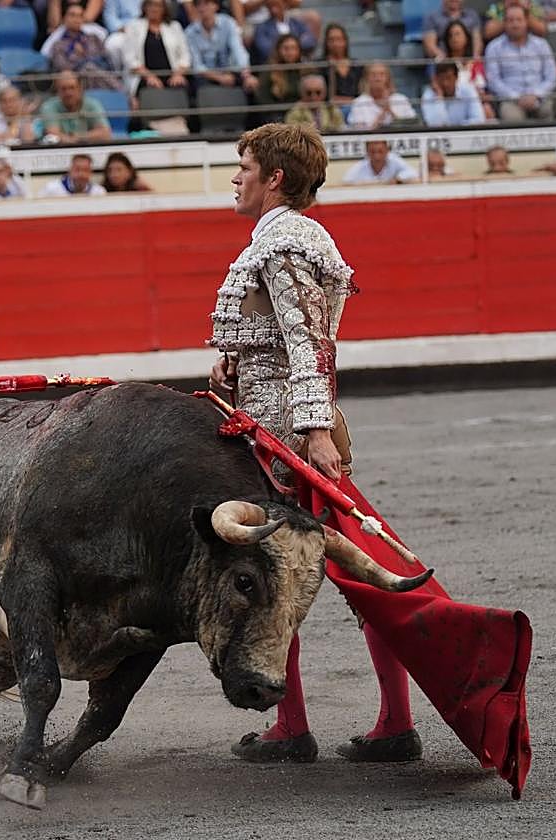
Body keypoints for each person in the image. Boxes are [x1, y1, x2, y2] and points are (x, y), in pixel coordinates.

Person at [208, 122, 417, 766]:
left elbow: (308, 345)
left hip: (286, 437)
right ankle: (373, 722)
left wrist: (315, 430)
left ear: (275, 178)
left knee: (283, 569)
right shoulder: (290, 237)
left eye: (244, 166)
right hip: (283, 426)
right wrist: (235, 359)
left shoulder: (285, 240)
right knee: (341, 567)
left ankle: (300, 727)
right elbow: (285, 336)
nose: (235, 178)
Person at [484, 4, 556, 121]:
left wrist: (536, 94)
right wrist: (517, 97)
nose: (515, 24)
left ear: (526, 21)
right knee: (512, 117)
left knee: (547, 110)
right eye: (510, 20)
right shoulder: (494, 47)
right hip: (510, 99)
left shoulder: (541, 45)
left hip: (539, 97)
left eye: (519, 20)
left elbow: (551, 76)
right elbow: (493, 81)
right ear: (504, 23)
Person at [186, 0, 259, 95]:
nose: (202, 8)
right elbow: (197, 66)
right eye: (198, 5)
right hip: (206, 77)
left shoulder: (228, 23)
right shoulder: (190, 32)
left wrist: (246, 75)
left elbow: (238, 50)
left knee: (251, 84)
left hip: (230, 72)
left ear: (216, 6)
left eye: (206, 4)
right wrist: (220, 78)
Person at [48, 1, 121, 90]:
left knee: (93, 69)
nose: (76, 19)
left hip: (101, 78)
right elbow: (62, 68)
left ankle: (120, 94)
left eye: (80, 16)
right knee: (88, 68)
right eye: (72, 15)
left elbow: (107, 61)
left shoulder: (94, 38)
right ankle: (123, 94)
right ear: (64, 19)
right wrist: (81, 61)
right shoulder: (58, 45)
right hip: (76, 83)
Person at [123, 0, 192, 95]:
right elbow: (130, 59)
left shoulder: (175, 26)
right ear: (144, 7)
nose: (154, 9)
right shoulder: (134, 26)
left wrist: (178, 74)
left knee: (182, 88)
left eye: (158, 5)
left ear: (164, 8)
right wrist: (149, 76)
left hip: (172, 76)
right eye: (150, 5)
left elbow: (185, 56)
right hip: (145, 77)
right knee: (150, 91)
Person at [39, 70, 113, 143]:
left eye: (72, 87)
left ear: (80, 89)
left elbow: (106, 134)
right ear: (57, 91)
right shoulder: (49, 106)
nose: (68, 93)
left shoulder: (93, 104)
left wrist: (78, 138)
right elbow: (53, 135)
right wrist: (73, 140)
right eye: (63, 89)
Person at [441, 19, 492, 118]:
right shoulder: (443, 63)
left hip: (477, 103)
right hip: (453, 104)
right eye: (450, 35)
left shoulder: (476, 62)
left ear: (466, 37)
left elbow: (483, 89)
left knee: (487, 110)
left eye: (457, 34)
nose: (454, 38)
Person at [346, 62, 417, 129]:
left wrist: (390, 111)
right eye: (373, 75)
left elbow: (411, 126)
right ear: (367, 79)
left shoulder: (401, 99)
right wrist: (383, 113)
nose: (378, 79)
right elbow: (360, 132)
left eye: (382, 74)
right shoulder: (359, 102)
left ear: (388, 78)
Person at [421, 61, 485, 126]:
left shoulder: (468, 90)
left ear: (456, 77)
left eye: (449, 78)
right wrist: (439, 97)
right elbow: (434, 125)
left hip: (463, 135)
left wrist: (457, 128)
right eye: (441, 78)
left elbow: (479, 120)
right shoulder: (428, 95)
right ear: (436, 79)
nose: (445, 83)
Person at [259, 33, 305, 117]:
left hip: (301, 115)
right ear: (278, 50)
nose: (290, 52)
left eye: (293, 48)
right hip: (277, 117)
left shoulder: (306, 70)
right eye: (286, 49)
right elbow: (263, 99)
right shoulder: (269, 70)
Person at [320, 23, 362, 105]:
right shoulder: (320, 65)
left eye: (339, 39)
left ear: (345, 41)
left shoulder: (357, 65)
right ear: (326, 43)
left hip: (355, 107)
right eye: (331, 40)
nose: (335, 44)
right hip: (329, 108)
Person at [341, 139, 418, 184]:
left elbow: (413, 173)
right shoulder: (360, 166)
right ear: (367, 152)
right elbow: (346, 182)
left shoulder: (394, 160)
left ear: (387, 151)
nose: (377, 156)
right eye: (373, 152)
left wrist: (397, 179)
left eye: (380, 151)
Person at [39, 152, 107, 196]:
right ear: (70, 171)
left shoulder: (99, 192)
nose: (81, 174)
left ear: (91, 173)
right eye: (77, 170)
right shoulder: (51, 189)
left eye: (85, 170)